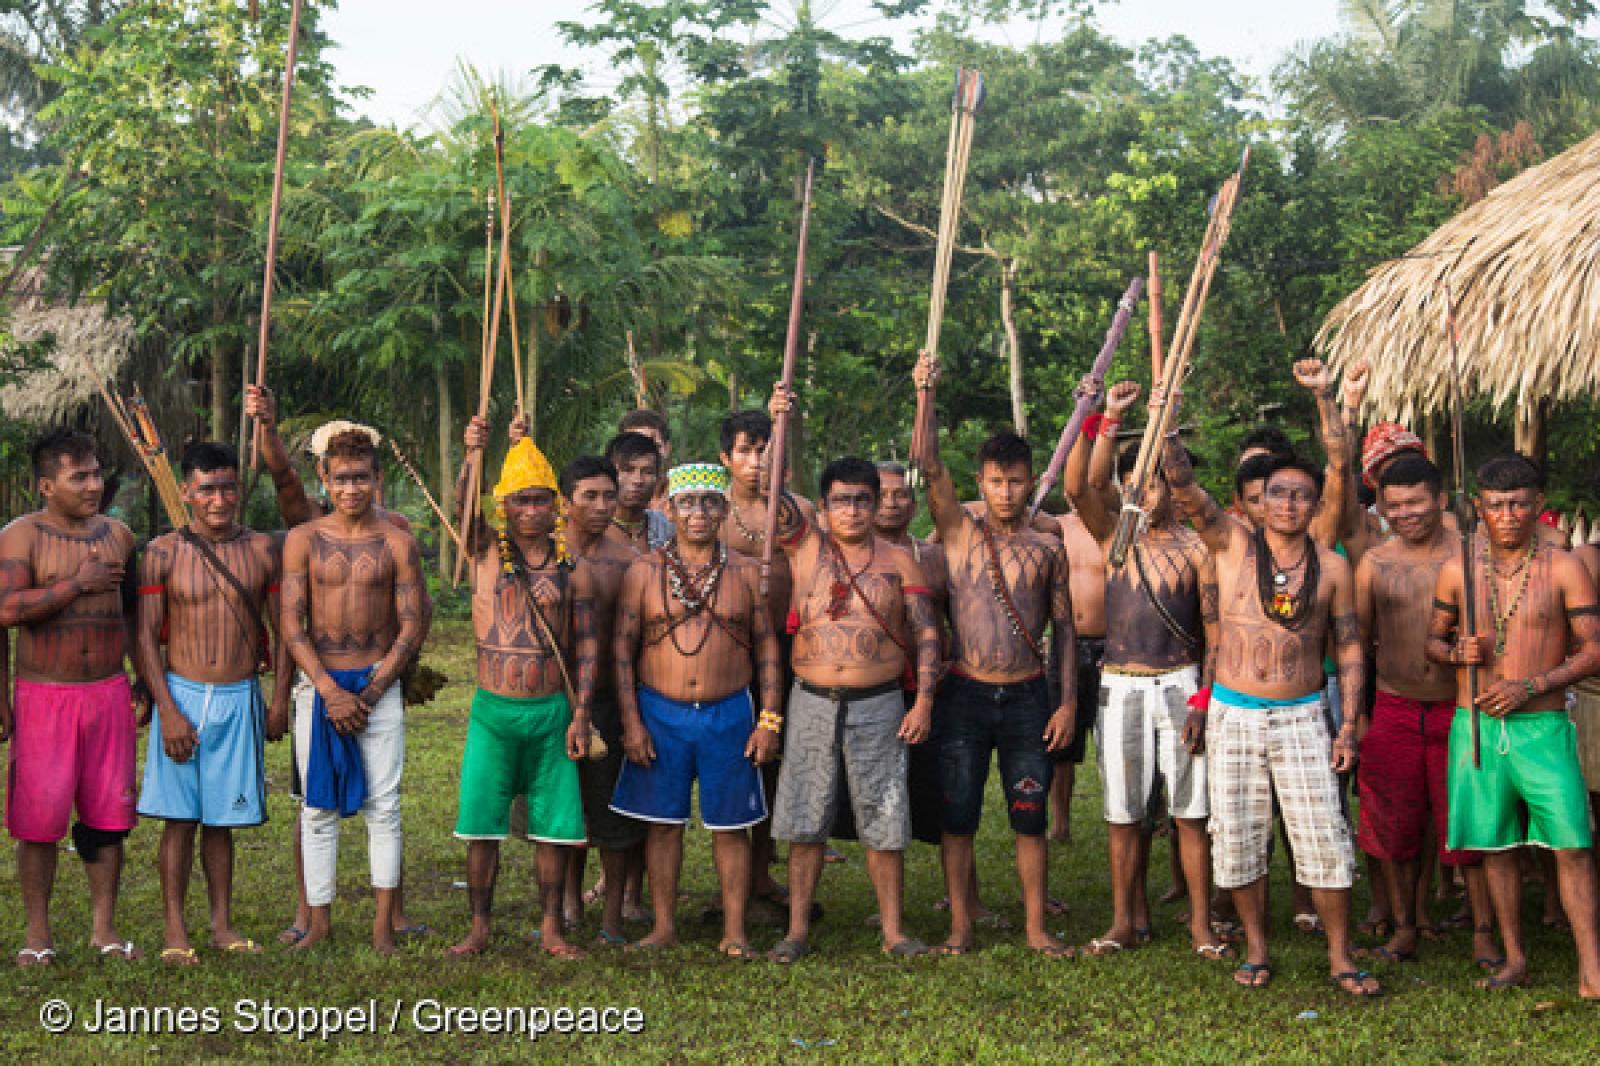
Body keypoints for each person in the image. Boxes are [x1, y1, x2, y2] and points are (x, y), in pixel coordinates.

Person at [1160, 375, 1377, 997]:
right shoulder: (1231, 544)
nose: (1287, 505)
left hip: (1304, 714)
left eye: (1300, 496)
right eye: (1277, 494)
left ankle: (1340, 955)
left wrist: (1347, 724)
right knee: (1239, 838)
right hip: (1234, 714)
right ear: (1257, 501)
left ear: (1314, 505)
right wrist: (1168, 424)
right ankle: (1257, 948)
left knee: (1324, 837)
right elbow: (1184, 486)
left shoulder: (1330, 567)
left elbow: (1349, 647)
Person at [243, 384, 430, 945]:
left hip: (377, 682)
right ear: (324, 478)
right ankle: (318, 923)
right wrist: (327, 689)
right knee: (317, 808)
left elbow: (413, 624)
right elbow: (291, 623)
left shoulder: (397, 542)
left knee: (384, 806)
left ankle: (383, 926)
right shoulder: (303, 539)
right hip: (319, 686)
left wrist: (370, 691)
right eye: (342, 478)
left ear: (378, 479)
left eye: (362, 478)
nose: (352, 489)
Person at [911, 351, 1078, 958]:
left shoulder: (1047, 547)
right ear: (979, 483)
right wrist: (925, 394)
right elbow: (928, 465)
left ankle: (1036, 928)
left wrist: (1066, 704)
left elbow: (1065, 631)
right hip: (965, 693)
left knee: (1029, 815)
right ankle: (960, 927)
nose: (1006, 492)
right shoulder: (957, 531)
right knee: (958, 816)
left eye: (1016, 481)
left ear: (1031, 482)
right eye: (996, 482)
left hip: (1029, 695)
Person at [762, 421, 941, 960]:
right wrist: (777, 419)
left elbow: (927, 633)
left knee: (885, 816)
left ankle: (894, 931)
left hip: (880, 702)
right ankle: (796, 931)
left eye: (864, 500)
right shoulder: (804, 547)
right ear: (822, 507)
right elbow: (769, 486)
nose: (854, 511)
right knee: (805, 818)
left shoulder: (900, 560)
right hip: (811, 700)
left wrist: (924, 701)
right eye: (842, 501)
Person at [1426, 453, 1600, 999]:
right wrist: (1455, 652)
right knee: (1496, 845)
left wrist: (1532, 685)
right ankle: (1514, 957)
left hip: (1542, 725)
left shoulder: (1565, 567)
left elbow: (1594, 650)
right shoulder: (1458, 569)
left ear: (1538, 505)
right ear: (1479, 507)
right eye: (1497, 505)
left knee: (1572, 844)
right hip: (1475, 724)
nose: (1507, 516)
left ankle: (1592, 970)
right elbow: (1432, 641)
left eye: (1519, 505)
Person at [1065, 380, 1225, 959]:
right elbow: (1080, 486)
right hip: (1121, 684)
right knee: (1122, 812)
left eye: (1152, 483)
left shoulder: (1197, 548)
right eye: (1133, 483)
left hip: (1180, 681)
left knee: (1191, 811)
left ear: (1171, 488)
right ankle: (1123, 922)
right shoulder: (1115, 536)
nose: (1143, 493)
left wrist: (1203, 700)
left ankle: (1201, 925)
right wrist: (1107, 417)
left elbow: (1215, 633)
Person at [609, 463, 783, 957]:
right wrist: (631, 723)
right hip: (658, 713)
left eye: (709, 502)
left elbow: (768, 651)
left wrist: (769, 721)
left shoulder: (746, 572)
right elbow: (621, 652)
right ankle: (664, 926)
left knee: (731, 826)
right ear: (670, 509)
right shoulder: (643, 572)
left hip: (730, 714)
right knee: (662, 824)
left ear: (724, 509)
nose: (699, 512)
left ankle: (735, 931)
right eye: (688, 503)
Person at [134, 441, 292, 965]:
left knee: (222, 821)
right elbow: (146, 638)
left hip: (240, 695)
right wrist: (167, 710)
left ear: (238, 489)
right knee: (179, 819)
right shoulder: (162, 553)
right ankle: (175, 930)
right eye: (207, 490)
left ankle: (222, 925)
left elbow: (283, 632)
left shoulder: (264, 550)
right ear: (186, 492)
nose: (219, 500)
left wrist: (278, 701)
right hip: (182, 694)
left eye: (227, 488)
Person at [446, 419, 597, 960]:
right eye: (520, 500)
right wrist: (473, 454)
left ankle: (552, 928)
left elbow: (587, 648)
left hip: (551, 712)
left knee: (553, 828)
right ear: (503, 506)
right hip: (494, 713)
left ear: (555, 505)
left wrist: (581, 714)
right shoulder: (485, 550)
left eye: (539, 500)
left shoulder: (571, 568)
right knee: (481, 826)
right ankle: (478, 928)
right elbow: (464, 507)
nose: (530, 510)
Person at [0, 428, 141, 966]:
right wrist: (76, 585)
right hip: (44, 696)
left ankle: (105, 930)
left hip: (108, 693)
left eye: (96, 474)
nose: (93, 485)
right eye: (78, 477)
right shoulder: (20, 536)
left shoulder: (120, 536)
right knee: (38, 821)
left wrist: (142, 680)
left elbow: (135, 615)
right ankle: (38, 936)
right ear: (46, 486)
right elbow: (6, 611)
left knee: (109, 817)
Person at [1353, 453, 1495, 968]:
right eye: (1394, 506)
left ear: (1439, 499)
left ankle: (1484, 930)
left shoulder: (1474, 556)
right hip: (1394, 705)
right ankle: (1405, 926)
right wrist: (1357, 715)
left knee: (1470, 820)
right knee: (1394, 825)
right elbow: (1356, 645)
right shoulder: (1374, 563)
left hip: (1462, 706)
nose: (1405, 514)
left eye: (1415, 502)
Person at [718, 408, 813, 912]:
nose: (756, 462)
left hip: (788, 651)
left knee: (776, 761)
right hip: (727, 653)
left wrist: (784, 425)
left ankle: (762, 870)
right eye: (746, 452)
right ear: (725, 458)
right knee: (734, 761)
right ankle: (733, 879)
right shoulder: (711, 512)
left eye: (765, 451)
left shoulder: (797, 510)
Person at [556, 450, 648, 945]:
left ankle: (613, 914)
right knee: (563, 808)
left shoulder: (628, 562)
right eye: (589, 496)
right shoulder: (542, 556)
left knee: (613, 813)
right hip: (555, 699)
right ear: (565, 501)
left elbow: (636, 640)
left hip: (611, 699)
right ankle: (567, 903)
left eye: (608, 496)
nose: (601, 506)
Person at [605, 431, 673, 551]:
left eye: (648, 472)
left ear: (657, 478)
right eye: (628, 470)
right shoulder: (591, 529)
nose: (638, 480)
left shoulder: (667, 530)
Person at [619, 409, 673, 512]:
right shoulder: (607, 496)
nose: (644, 456)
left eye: (654, 446)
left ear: (667, 448)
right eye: (635, 446)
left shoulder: (684, 491)